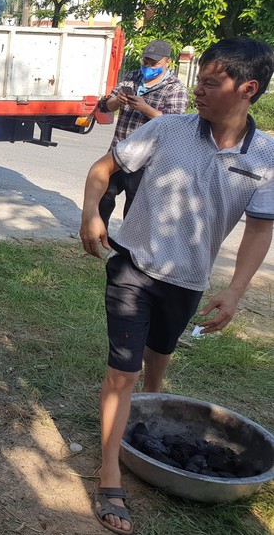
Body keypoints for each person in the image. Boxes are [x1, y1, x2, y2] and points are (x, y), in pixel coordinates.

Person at [80, 37, 274, 534]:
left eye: (211, 82)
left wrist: (234, 291)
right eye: (199, 79)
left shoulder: (266, 155)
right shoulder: (167, 129)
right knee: (121, 373)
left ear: (247, 88)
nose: (198, 90)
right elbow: (103, 169)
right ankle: (108, 476)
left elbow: (260, 226)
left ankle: (144, 414)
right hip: (133, 270)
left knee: (158, 360)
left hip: (187, 281)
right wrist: (90, 216)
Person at [97, 39, 189, 229]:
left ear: (167, 62)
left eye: (153, 63)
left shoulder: (175, 88)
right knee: (104, 196)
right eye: (145, 62)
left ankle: (127, 246)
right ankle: (98, 234)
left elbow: (175, 125)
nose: (148, 67)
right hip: (118, 150)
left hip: (146, 159)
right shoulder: (132, 77)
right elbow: (104, 106)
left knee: (134, 207)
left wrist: (145, 108)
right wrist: (117, 100)